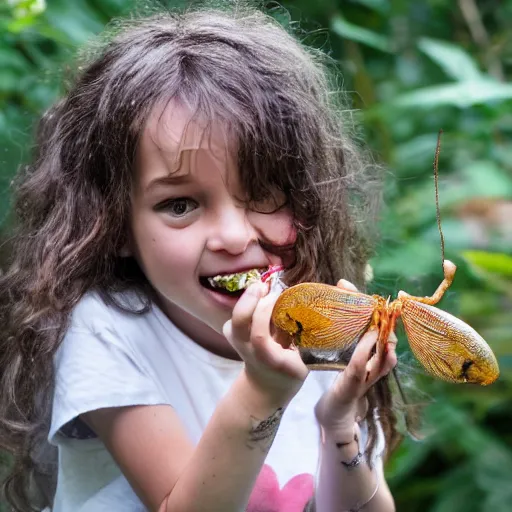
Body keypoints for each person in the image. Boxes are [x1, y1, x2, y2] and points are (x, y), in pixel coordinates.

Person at [0, 3, 404, 511]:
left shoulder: (317, 324)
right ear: (115, 225)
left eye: (264, 193)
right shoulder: (107, 330)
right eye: (180, 205)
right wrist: (262, 391)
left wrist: (341, 419)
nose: (233, 237)